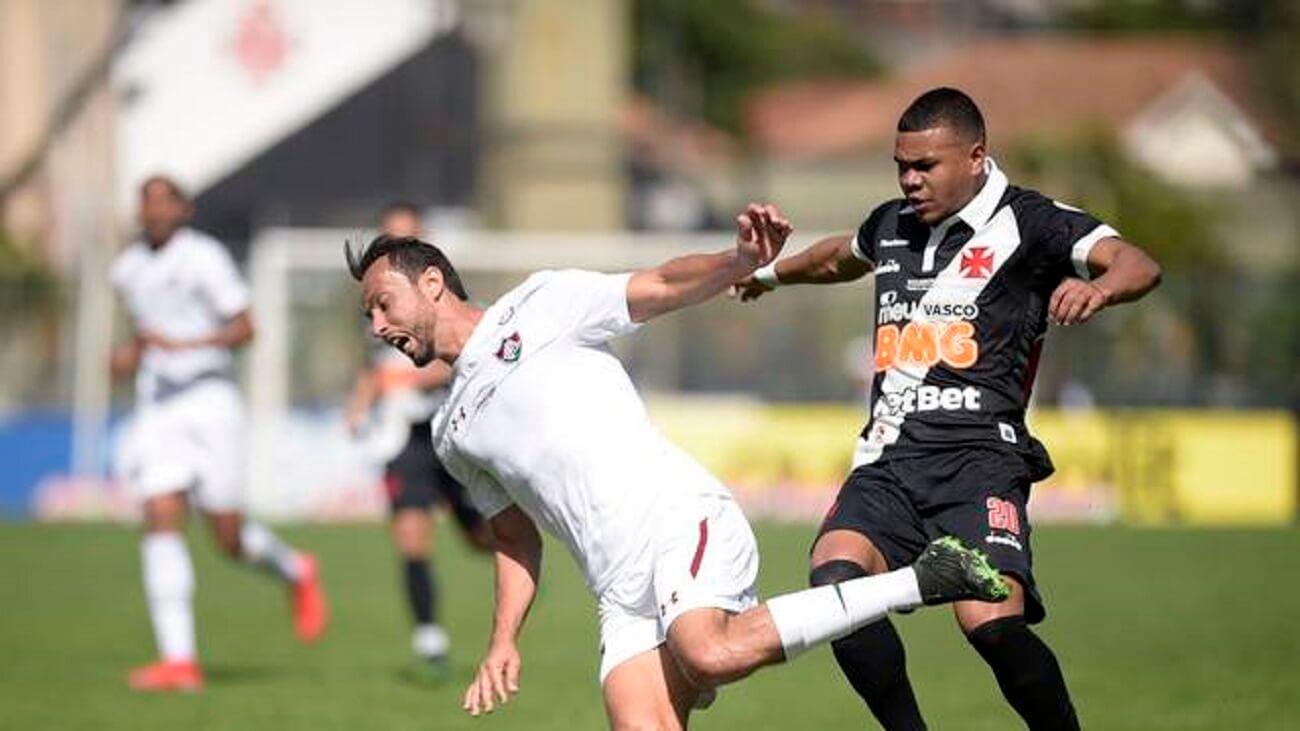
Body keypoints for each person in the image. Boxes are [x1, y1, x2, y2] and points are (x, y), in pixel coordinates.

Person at [345, 202, 1011, 729]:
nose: (376, 325)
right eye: (369, 314)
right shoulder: (449, 431)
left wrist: (740, 260)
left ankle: (921, 580)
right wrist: (501, 641)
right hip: (616, 593)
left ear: (431, 282)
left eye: (383, 303)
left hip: (677, 520)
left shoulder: (539, 303)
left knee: (706, 648)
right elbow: (515, 538)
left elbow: (660, 283)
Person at [734, 87, 1162, 729]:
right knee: (836, 591)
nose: (910, 180)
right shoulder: (891, 225)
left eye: (925, 166)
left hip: (979, 460)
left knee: (990, 626)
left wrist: (1098, 289)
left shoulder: (1035, 223)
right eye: (901, 166)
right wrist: (767, 276)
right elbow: (835, 260)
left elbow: (1137, 264)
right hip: (888, 459)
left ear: (976, 157)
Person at [110, 175, 328, 692]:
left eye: (165, 202)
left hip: (210, 400)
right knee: (160, 516)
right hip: (160, 408)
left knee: (226, 536)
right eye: (147, 202)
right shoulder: (127, 269)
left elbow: (246, 327)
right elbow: (137, 339)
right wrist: (128, 357)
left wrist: (192, 344)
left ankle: (295, 569)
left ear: (183, 210)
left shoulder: (204, 257)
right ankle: (179, 661)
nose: (155, 212)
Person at [344, 202, 491, 666]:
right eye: (388, 238)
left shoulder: (439, 294)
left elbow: (455, 358)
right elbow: (375, 370)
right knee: (410, 535)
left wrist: (402, 381)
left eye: (405, 238)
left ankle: (521, 567)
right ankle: (429, 637)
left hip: (451, 425)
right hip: (401, 436)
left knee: (480, 536)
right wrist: (359, 405)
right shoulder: (378, 303)